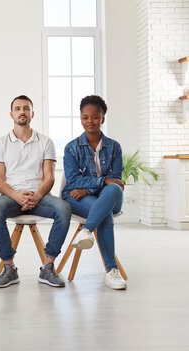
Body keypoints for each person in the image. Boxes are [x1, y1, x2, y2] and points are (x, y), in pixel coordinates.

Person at [0, 95, 71, 288]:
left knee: (64, 209)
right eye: (17, 109)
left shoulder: (46, 142)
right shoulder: (0, 143)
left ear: (32, 113)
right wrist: (17, 196)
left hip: (40, 196)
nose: (22, 112)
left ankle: (48, 267)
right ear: (11, 114)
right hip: (11, 196)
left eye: (26, 108)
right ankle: (9, 268)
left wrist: (37, 196)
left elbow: (49, 176)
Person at [62, 95, 127, 290]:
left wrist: (88, 188)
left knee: (113, 189)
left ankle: (87, 230)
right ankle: (111, 271)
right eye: (85, 117)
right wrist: (102, 181)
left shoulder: (114, 147)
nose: (90, 121)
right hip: (77, 198)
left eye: (95, 117)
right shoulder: (71, 148)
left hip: (107, 196)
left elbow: (116, 181)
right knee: (104, 212)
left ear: (103, 119)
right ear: (80, 119)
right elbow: (73, 181)